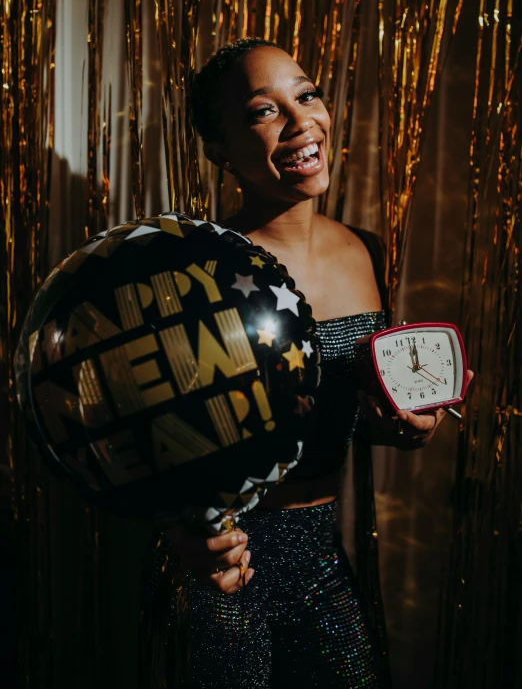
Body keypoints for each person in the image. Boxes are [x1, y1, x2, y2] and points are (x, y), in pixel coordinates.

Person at [144, 37, 473, 688]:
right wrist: (184, 537)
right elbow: (151, 442)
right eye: (263, 111)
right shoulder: (197, 273)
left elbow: (352, 414)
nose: (301, 123)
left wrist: (407, 423)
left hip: (322, 557)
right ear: (218, 149)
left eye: (307, 95)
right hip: (230, 573)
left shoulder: (366, 249)